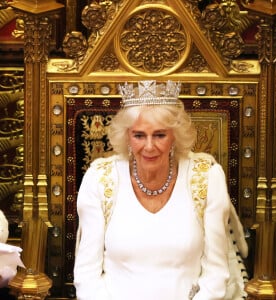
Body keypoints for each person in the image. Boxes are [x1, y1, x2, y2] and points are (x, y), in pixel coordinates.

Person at [74, 80, 248, 300]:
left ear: (174, 136)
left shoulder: (206, 177)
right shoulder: (100, 178)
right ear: (127, 136)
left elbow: (216, 273)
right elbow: (86, 274)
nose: (149, 146)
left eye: (159, 135)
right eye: (139, 135)